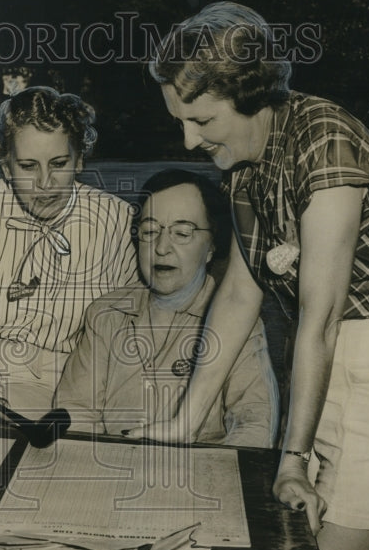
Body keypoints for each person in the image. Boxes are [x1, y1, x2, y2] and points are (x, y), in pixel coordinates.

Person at [131, 1, 369, 550]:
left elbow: (319, 319)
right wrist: (184, 420)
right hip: (334, 369)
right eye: (179, 121)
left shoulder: (325, 141)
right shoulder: (245, 168)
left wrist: (293, 459)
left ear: (250, 94)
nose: (188, 140)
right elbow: (239, 293)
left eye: (201, 119)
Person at [0, 86, 139, 423]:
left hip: (78, 392)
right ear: (6, 166)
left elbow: (132, 336)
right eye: (28, 166)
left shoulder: (117, 220)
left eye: (59, 163)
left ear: (80, 159)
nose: (45, 183)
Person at [54, 168, 278, 447]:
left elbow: (255, 422)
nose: (161, 247)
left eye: (182, 233)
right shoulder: (106, 315)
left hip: (195, 475)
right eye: (149, 231)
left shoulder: (237, 322)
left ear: (211, 247)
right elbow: (75, 410)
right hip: (112, 470)